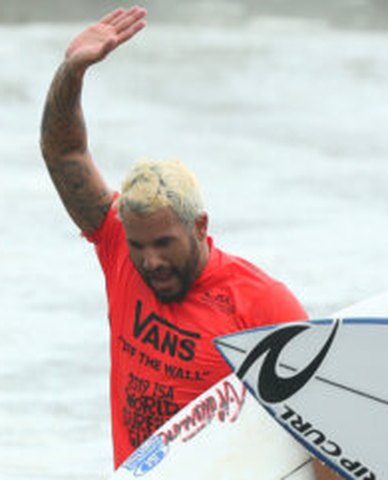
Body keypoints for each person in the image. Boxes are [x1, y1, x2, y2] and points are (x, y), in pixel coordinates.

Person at [39, 7, 337, 478]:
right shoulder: (118, 244)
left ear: (200, 226)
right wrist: (71, 71)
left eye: (163, 243)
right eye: (139, 246)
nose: (150, 260)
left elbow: (321, 428)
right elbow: (65, 152)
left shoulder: (259, 303)